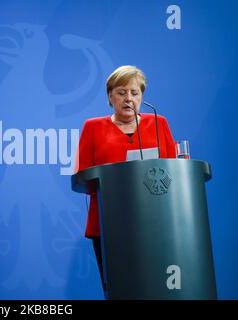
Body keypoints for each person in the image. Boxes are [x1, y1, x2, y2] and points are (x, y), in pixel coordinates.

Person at [75, 65, 176, 292]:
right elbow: (83, 176)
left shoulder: (159, 123)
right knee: (119, 290)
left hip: (157, 223)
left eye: (134, 92)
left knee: (157, 289)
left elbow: (174, 172)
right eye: (121, 92)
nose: (128, 98)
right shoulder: (93, 127)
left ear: (142, 96)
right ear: (110, 96)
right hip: (108, 223)